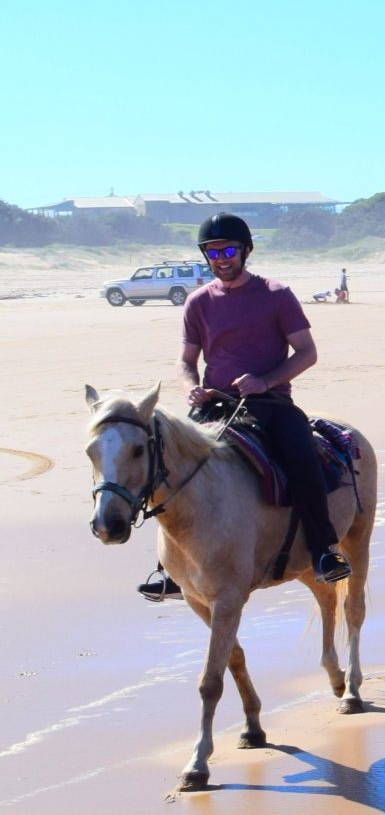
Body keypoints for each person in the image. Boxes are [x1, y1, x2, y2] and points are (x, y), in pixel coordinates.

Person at [138, 213, 352, 601]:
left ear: (246, 251)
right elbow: (186, 361)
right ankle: (172, 568)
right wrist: (191, 388)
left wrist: (264, 381)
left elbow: (307, 352)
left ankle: (323, 551)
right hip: (215, 406)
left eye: (229, 251)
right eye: (213, 252)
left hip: (271, 404)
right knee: (166, 463)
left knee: (302, 458)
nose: (221, 259)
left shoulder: (276, 295)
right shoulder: (198, 302)